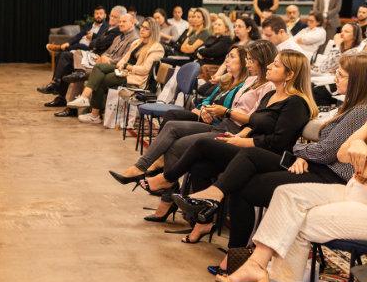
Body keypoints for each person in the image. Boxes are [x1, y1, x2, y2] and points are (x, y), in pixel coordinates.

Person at [175, 54, 367, 255]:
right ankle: (229, 240)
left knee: (239, 166)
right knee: (235, 166)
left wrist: (297, 151)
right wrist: (302, 155)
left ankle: (211, 208)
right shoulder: (349, 108)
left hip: (328, 176)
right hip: (312, 165)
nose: (336, 78)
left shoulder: (359, 111)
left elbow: (325, 151)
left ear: (357, 81)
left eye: (341, 75)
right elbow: (321, 149)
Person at [215, 105, 367, 282]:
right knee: (286, 195)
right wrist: (358, 143)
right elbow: (342, 153)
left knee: (297, 219)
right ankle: (257, 265)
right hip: (355, 191)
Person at [145, 50, 316, 242]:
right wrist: (237, 136)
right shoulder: (270, 95)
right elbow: (253, 124)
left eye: (275, 65)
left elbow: (279, 142)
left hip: (268, 155)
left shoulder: (296, 103)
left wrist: (242, 141)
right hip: (249, 145)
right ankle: (203, 221)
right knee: (200, 166)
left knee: (203, 143)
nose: (269, 66)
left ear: (290, 74)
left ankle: (167, 179)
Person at [109, 41, 277, 222]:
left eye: (251, 60)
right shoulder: (251, 80)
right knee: (172, 126)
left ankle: (167, 189)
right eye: (247, 59)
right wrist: (210, 110)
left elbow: (253, 119)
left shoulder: (268, 87)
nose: (248, 63)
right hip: (223, 122)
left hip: (236, 130)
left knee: (177, 145)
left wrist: (225, 111)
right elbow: (217, 99)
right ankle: (142, 168)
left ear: (262, 60)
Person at [67, 17, 164, 123]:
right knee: (98, 67)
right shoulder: (137, 42)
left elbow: (144, 70)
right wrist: (122, 65)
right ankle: (84, 98)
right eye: (142, 27)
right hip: (124, 71)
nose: (142, 29)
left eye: (146, 28)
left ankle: (94, 115)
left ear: (153, 31)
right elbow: (124, 59)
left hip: (136, 77)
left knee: (101, 80)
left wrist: (127, 66)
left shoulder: (156, 48)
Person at [38, 6, 113, 97]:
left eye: (101, 14)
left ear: (105, 15)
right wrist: (68, 43)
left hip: (90, 50)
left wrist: (93, 36)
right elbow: (78, 36)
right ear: (94, 14)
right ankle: (56, 86)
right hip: (78, 49)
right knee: (61, 56)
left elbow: (103, 41)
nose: (98, 15)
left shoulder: (107, 27)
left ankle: (56, 83)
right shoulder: (89, 25)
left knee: (72, 50)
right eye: (96, 13)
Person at [197, 14, 235, 81]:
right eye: (215, 24)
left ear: (226, 28)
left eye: (219, 25)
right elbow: (198, 50)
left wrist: (201, 51)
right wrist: (203, 52)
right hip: (204, 65)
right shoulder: (212, 37)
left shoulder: (226, 39)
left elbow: (211, 52)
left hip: (214, 69)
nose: (216, 26)